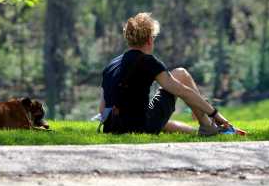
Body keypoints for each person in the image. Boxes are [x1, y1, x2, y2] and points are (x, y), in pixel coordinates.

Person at [98, 12, 245, 136]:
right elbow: (182, 91)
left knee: (163, 123)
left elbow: (102, 109)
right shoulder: (148, 61)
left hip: (113, 128)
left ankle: (207, 130)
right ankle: (208, 126)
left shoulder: (111, 65)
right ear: (150, 39)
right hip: (139, 126)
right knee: (181, 74)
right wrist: (216, 115)